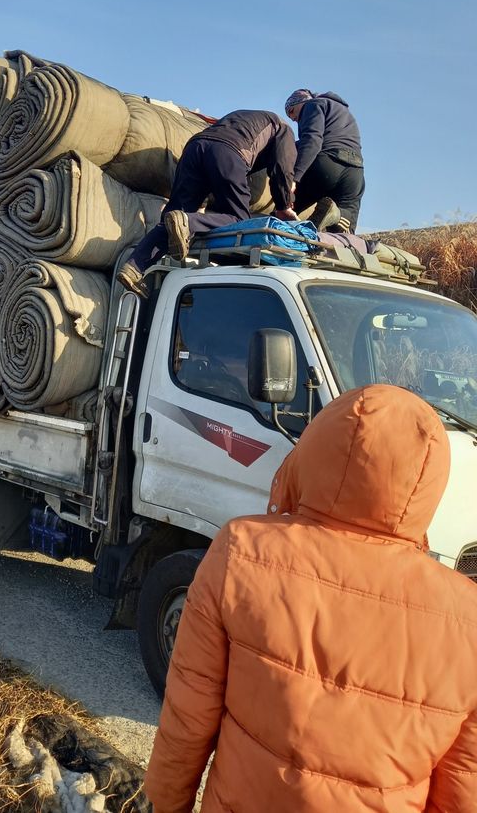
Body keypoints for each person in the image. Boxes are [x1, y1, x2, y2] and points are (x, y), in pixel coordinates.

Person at [144, 384, 477, 813]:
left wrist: (162, 805)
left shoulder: (241, 552)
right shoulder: (466, 618)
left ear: (316, 448)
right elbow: (461, 787)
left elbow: (187, 721)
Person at [117, 110, 297, 297]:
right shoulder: (284, 129)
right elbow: (282, 168)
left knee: (174, 217)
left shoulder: (247, 117)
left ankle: (134, 267)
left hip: (195, 147)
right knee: (239, 223)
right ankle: (188, 222)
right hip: (228, 152)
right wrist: (284, 205)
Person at [285, 87, 365, 233]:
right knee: (344, 231)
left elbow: (312, 140)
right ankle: (337, 214)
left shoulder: (312, 105)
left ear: (301, 101)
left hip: (327, 163)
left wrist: (294, 178)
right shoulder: (345, 113)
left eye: (291, 111)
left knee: (286, 210)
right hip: (355, 172)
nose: (294, 118)